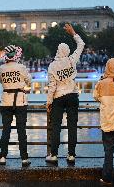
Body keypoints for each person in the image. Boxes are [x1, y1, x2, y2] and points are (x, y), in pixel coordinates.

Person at [46, 24, 85, 164]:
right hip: (72, 95)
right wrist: (73, 33)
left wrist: (49, 102)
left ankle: (54, 154)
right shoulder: (71, 60)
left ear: (57, 51)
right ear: (67, 51)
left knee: (56, 126)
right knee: (72, 126)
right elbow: (81, 44)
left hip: (58, 97)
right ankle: (71, 155)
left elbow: (52, 86)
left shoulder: (52, 66)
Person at [0, 45, 32, 167]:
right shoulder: (21, 67)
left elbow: (2, 82)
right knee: (21, 130)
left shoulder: (0, 68)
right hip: (20, 102)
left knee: (6, 129)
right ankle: (24, 158)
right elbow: (29, 81)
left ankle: (2, 156)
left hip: (5, 102)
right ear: (16, 55)